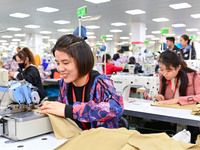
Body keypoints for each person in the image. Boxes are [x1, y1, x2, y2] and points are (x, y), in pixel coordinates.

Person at [39, 34, 123, 130]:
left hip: (101, 139)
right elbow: (62, 109)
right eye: (58, 63)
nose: (59, 68)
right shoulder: (64, 84)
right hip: (75, 136)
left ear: (82, 61)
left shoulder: (101, 82)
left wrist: (70, 110)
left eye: (65, 63)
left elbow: (116, 108)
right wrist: (51, 108)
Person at [155, 50, 200, 143]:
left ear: (178, 67)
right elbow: (159, 94)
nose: (165, 73)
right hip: (169, 119)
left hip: (189, 121)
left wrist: (178, 100)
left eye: (169, 70)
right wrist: (159, 96)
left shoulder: (194, 76)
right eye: (161, 69)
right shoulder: (162, 77)